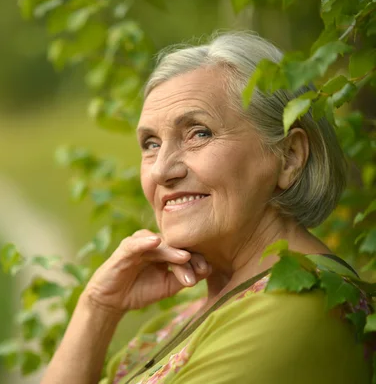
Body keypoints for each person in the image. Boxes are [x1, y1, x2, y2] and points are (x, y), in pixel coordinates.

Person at [40, 32, 373, 384]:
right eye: (151, 144)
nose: (162, 170)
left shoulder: (298, 307)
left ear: (288, 157)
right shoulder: (187, 316)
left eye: (199, 133)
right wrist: (98, 307)